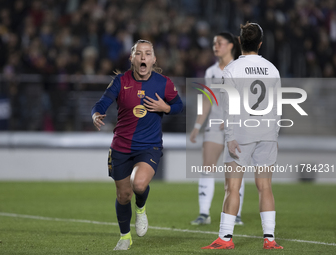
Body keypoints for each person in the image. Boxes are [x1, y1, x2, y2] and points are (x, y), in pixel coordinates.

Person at [91, 39, 183, 250]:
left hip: (149, 146)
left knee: (139, 185)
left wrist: (165, 107)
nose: (143, 57)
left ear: (153, 59)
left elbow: (179, 105)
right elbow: (101, 103)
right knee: (123, 195)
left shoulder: (164, 83)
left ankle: (140, 209)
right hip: (121, 147)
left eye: (147, 53)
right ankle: (125, 237)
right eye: (139, 53)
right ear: (132, 58)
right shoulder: (120, 81)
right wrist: (95, 114)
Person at [202, 22, 283, 250]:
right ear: (260, 43)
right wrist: (274, 135)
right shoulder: (272, 69)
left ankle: (225, 239)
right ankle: (270, 239)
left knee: (233, 188)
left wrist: (229, 136)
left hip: (241, 134)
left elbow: (228, 106)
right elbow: (278, 106)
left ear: (239, 42)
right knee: (265, 186)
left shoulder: (232, 69)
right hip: (267, 133)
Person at [190, 32, 245, 226]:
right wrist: (197, 126)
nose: (216, 46)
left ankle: (235, 213)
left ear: (231, 46)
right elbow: (207, 100)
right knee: (207, 166)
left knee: (235, 171)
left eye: (220, 43)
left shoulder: (240, 69)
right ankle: (204, 213)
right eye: (214, 43)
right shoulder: (211, 71)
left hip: (236, 128)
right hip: (214, 125)